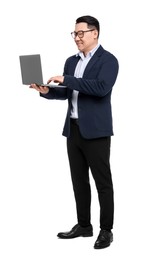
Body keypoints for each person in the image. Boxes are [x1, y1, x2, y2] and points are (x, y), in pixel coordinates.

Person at [30, 15, 119, 249]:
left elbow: (100, 89)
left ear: (95, 33)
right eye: (74, 34)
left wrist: (68, 79)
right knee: (79, 181)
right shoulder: (71, 61)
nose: (77, 38)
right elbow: (68, 92)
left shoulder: (108, 60)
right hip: (74, 130)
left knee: (103, 183)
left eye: (81, 33)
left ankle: (106, 230)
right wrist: (46, 90)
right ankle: (84, 225)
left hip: (97, 132)